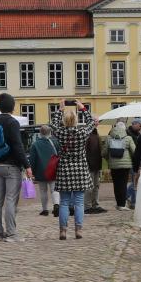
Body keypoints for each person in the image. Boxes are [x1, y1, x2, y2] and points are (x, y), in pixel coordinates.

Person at [0, 93, 33, 241]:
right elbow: (17, 145)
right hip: (11, 166)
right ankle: (12, 234)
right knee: (10, 199)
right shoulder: (13, 123)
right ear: (13, 107)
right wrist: (27, 165)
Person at [49, 101, 95, 239]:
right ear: (76, 120)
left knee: (64, 202)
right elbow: (91, 123)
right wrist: (83, 109)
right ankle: (78, 230)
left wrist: (60, 110)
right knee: (79, 202)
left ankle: (63, 231)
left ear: (64, 120)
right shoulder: (82, 132)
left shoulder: (60, 132)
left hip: (64, 170)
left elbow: (53, 124)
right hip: (80, 170)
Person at [27, 125, 61, 217]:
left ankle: (45, 210)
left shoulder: (35, 144)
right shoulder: (55, 142)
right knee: (54, 189)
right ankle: (56, 205)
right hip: (53, 169)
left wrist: (31, 171)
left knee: (43, 191)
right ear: (50, 132)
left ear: (40, 133)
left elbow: (32, 159)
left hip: (40, 170)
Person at [107, 121, 137, 211]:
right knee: (123, 184)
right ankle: (122, 205)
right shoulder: (128, 138)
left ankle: (118, 204)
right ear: (124, 129)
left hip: (113, 165)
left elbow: (104, 152)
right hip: (125, 166)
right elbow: (134, 151)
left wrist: (109, 159)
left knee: (116, 184)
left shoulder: (109, 138)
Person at [85, 127, 106, 213]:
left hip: (96, 165)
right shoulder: (87, 136)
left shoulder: (97, 136)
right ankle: (88, 205)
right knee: (90, 187)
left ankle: (94, 204)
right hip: (90, 165)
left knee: (96, 186)